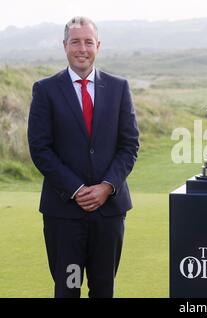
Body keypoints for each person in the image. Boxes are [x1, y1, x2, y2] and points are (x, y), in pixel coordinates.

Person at [28, 16, 139, 298]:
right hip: (65, 217)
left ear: (98, 46)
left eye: (88, 42)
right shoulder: (45, 90)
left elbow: (129, 145)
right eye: (75, 42)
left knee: (103, 290)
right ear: (65, 45)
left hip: (109, 214)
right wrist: (77, 190)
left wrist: (106, 187)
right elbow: (40, 149)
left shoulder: (118, 88)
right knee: (69, 288)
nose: (82, 48)